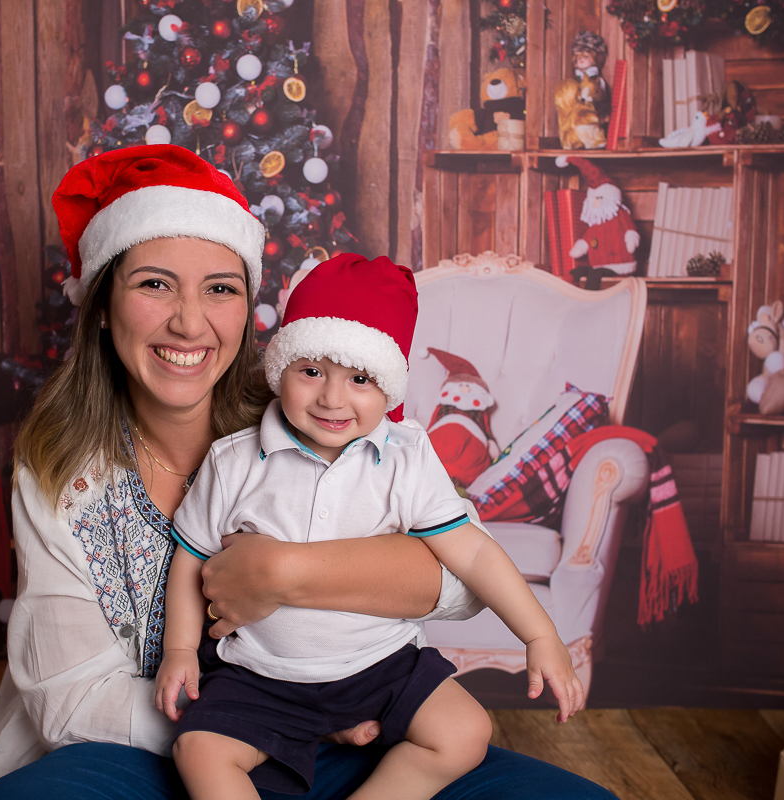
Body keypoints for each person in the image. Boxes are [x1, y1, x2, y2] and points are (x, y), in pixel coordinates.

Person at [0, 143, 618, 800]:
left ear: (250, 312)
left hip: (361, 723)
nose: (189, 322)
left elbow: (461, 580)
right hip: (163, 746)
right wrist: (273, 726)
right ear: (101, 305)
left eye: (220, 289)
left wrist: (283, 573)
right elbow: (73, 703)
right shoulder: (61, 470)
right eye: (154, 284)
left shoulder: (319, 419)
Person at [155, 254, 583, 800]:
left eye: (359, 378)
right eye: (311, 372)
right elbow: (189, 558)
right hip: (261, 675)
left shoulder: (407, 457)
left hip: (378, 666)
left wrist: (540, 634)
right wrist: (181, 652)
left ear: (390, 384)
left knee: (465, 731)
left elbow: (472, 554)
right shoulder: (234, 461)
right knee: (200, 751)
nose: (332, 398)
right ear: (280, 367)